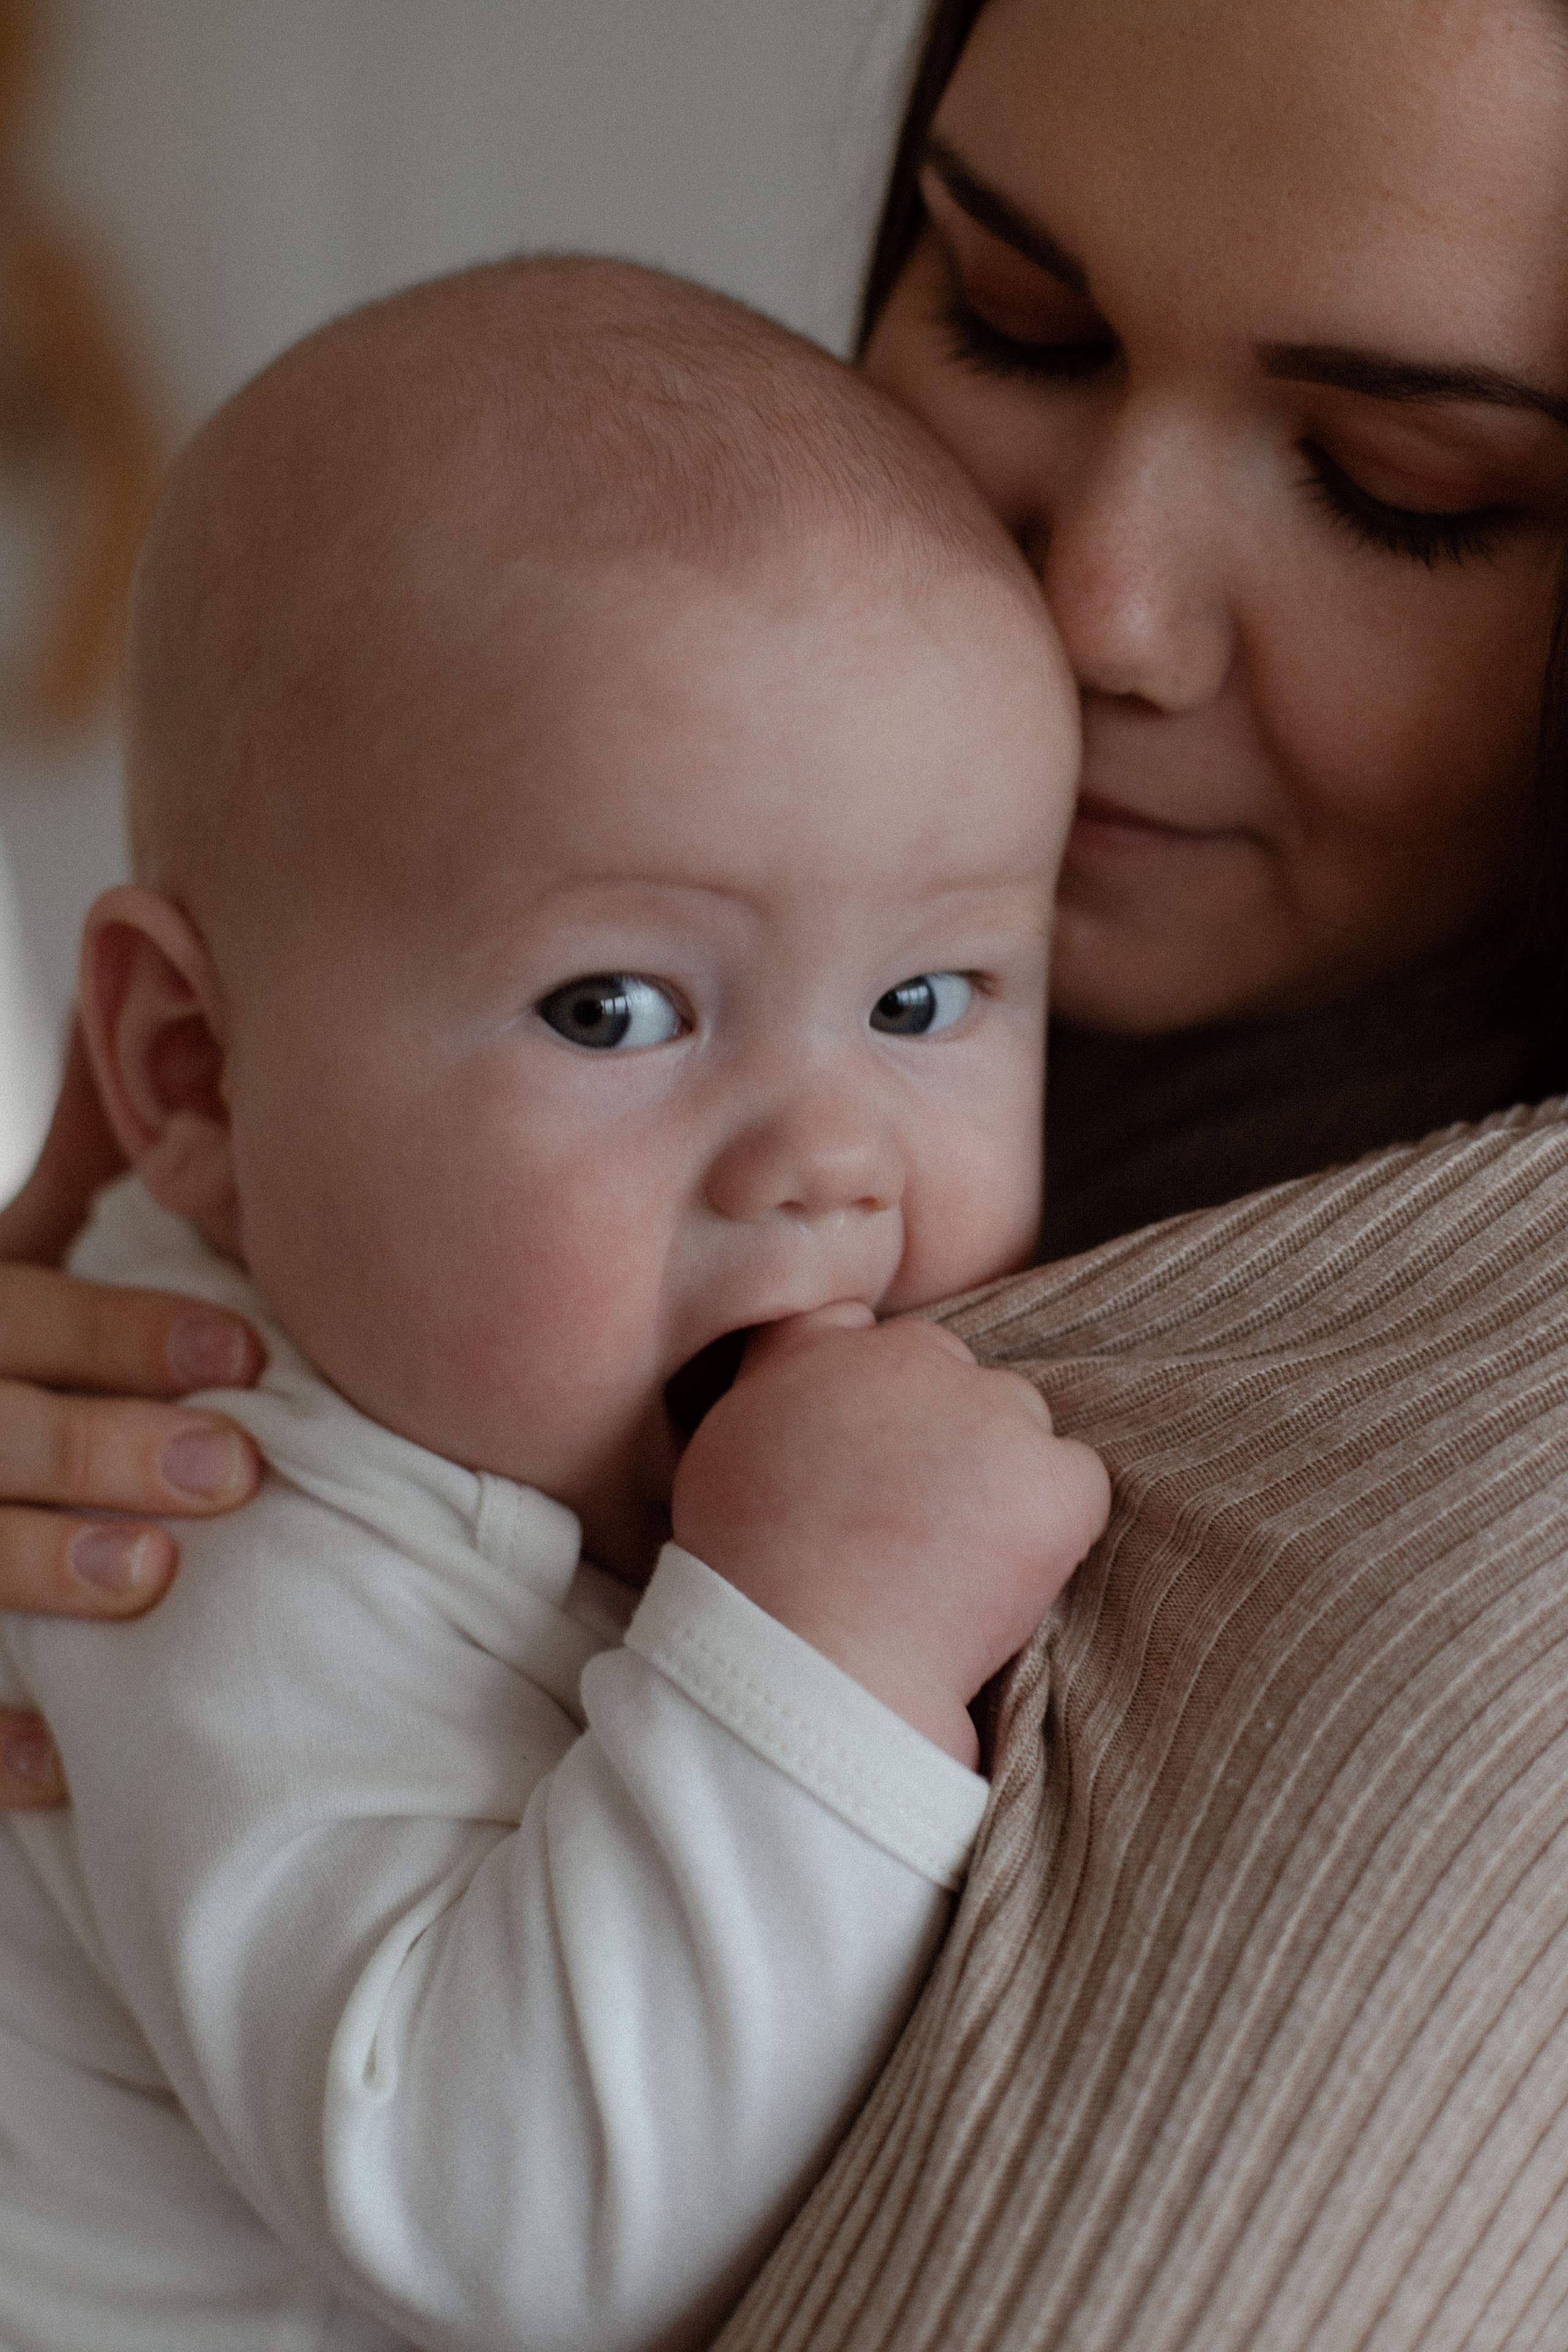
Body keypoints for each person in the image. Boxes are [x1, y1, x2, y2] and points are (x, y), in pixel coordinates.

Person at [1, 0, 1566, 2320]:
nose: (1095, 606)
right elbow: (511, 2199)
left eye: (1394, 482)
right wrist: (817, 1647)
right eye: (1009, 320)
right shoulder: (210, 1465)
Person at [0, 254, 1109, 2350]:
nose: (825, 1156)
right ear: (192, 1078)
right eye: (616, 1008)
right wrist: (824, 1641)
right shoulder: (196, 1528)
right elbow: (522, 2233)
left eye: (922, 998)